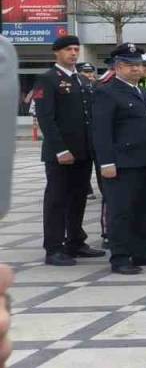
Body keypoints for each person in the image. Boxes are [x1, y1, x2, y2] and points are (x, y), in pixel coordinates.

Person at [92, 43, 146, 275]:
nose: (135, 69)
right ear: (117, 67)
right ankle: (120, 257)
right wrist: (106, 162)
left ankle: (142, 251)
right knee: (121, 211)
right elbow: (101, 131)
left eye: (138, 65)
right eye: (129, 65)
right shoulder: (106, 91)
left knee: (144, 209)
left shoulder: (141, 90)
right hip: (123, 163)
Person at [34, 35, 104, 266]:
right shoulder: (48, 79)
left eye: (76, 49)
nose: (73, 54)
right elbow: (46, 118)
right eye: (68, 50)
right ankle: (53, 247)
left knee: (78, 199)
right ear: (57, 53)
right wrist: (60, 149)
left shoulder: (82, 81)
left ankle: (75, 241)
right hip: (61, 154)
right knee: (56, 200)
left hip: (83, 152)